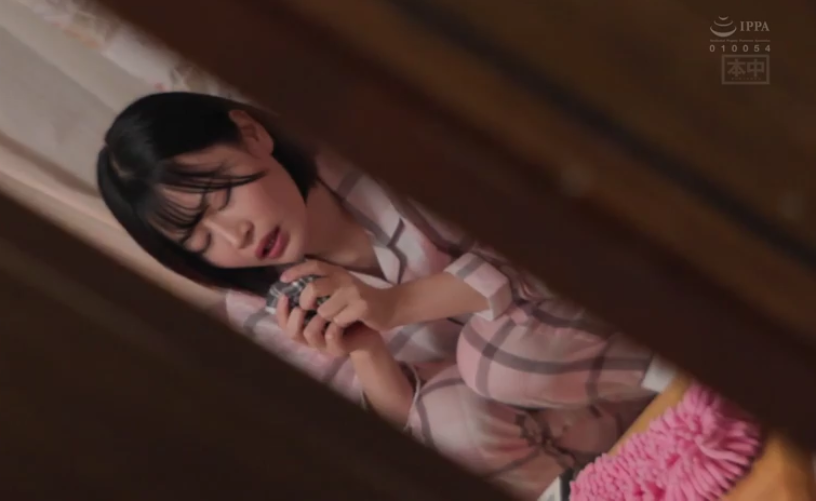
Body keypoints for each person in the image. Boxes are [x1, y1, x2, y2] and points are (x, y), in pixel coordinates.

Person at [96, 92, 669, 498]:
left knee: (494, 358)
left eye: (221, 196)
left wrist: (396, 305)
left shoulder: (382, 156)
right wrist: (366, 348)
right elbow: (412, 433)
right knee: (444, 420)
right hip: (569, 436)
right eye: (199, 240)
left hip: (621, 344)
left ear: (251, 134)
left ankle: (694, 390)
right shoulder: (260, 313)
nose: (234, 237)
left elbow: (546, 255)